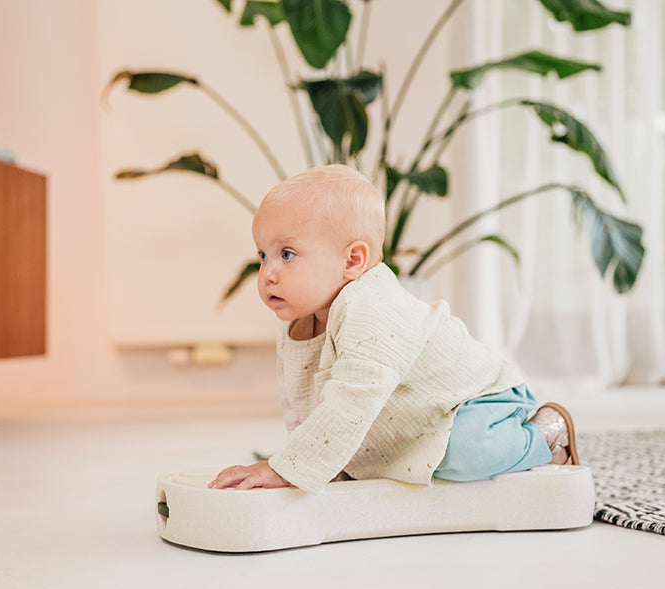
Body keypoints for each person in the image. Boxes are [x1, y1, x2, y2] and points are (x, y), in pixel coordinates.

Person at [208, 164, 578, 495]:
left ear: (353, 260)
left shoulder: (370, 306)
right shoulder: (301, 322)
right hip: (417, 417)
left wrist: (287, 468)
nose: (267, 273)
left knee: (466, 454)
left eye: (286, 254)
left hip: (476, 401)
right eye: (262, 255)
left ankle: (547, 434)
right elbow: (306, 404)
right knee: (391, 462)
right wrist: (305, 468)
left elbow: (354, 395)